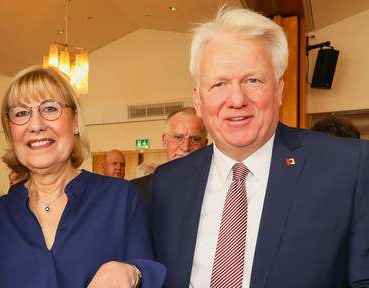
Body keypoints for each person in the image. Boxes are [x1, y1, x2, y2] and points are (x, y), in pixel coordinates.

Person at [149, 7, 369, 288]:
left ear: (278, 89)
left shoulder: (348, 167)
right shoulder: (168, 183)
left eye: (253, 80)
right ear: (198, 100)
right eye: (219, 84)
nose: (237, 99)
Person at [0, 66, 165, 288]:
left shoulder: (120, 198)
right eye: (21, 113)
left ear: (75, 122)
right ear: (10, 130)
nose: (36, 125)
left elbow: (147, 269)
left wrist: (132, 272)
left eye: (49, 109)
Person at [131, 107, 208, 219]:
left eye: (195, 139)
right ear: (164, 141)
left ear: (205, 145)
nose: (185, 147)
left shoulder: (216, 190)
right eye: (178, 137)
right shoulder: (136, 192)